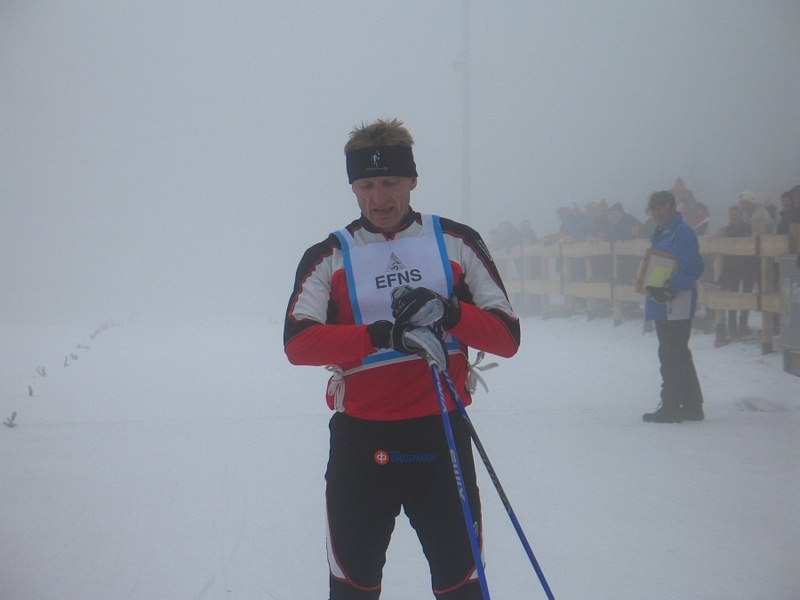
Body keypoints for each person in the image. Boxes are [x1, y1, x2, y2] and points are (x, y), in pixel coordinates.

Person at [283, 118, 520, 599]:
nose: (380, 197)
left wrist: (450, 312)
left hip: (440, 435)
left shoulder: (455, 241)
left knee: (460, 583)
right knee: (354, 585)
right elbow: (297, 343)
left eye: (390, 182)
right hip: (362, 443)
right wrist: (381, 336)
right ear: (353, 188)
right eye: (366, 185)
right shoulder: (330, 254)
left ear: (412, 180)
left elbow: (506, 337)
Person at [641, 191, 705, 423]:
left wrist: (671, 288)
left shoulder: (681, 233)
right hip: (662, 300)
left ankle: (671, 404)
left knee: (671, 354)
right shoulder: (663, 233)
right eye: (653, 209)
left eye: (660, 208)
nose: (656, 213)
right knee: (678, 353)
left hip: (675, 302)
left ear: (671, 207)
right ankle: (692, 405)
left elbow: (693, 265)